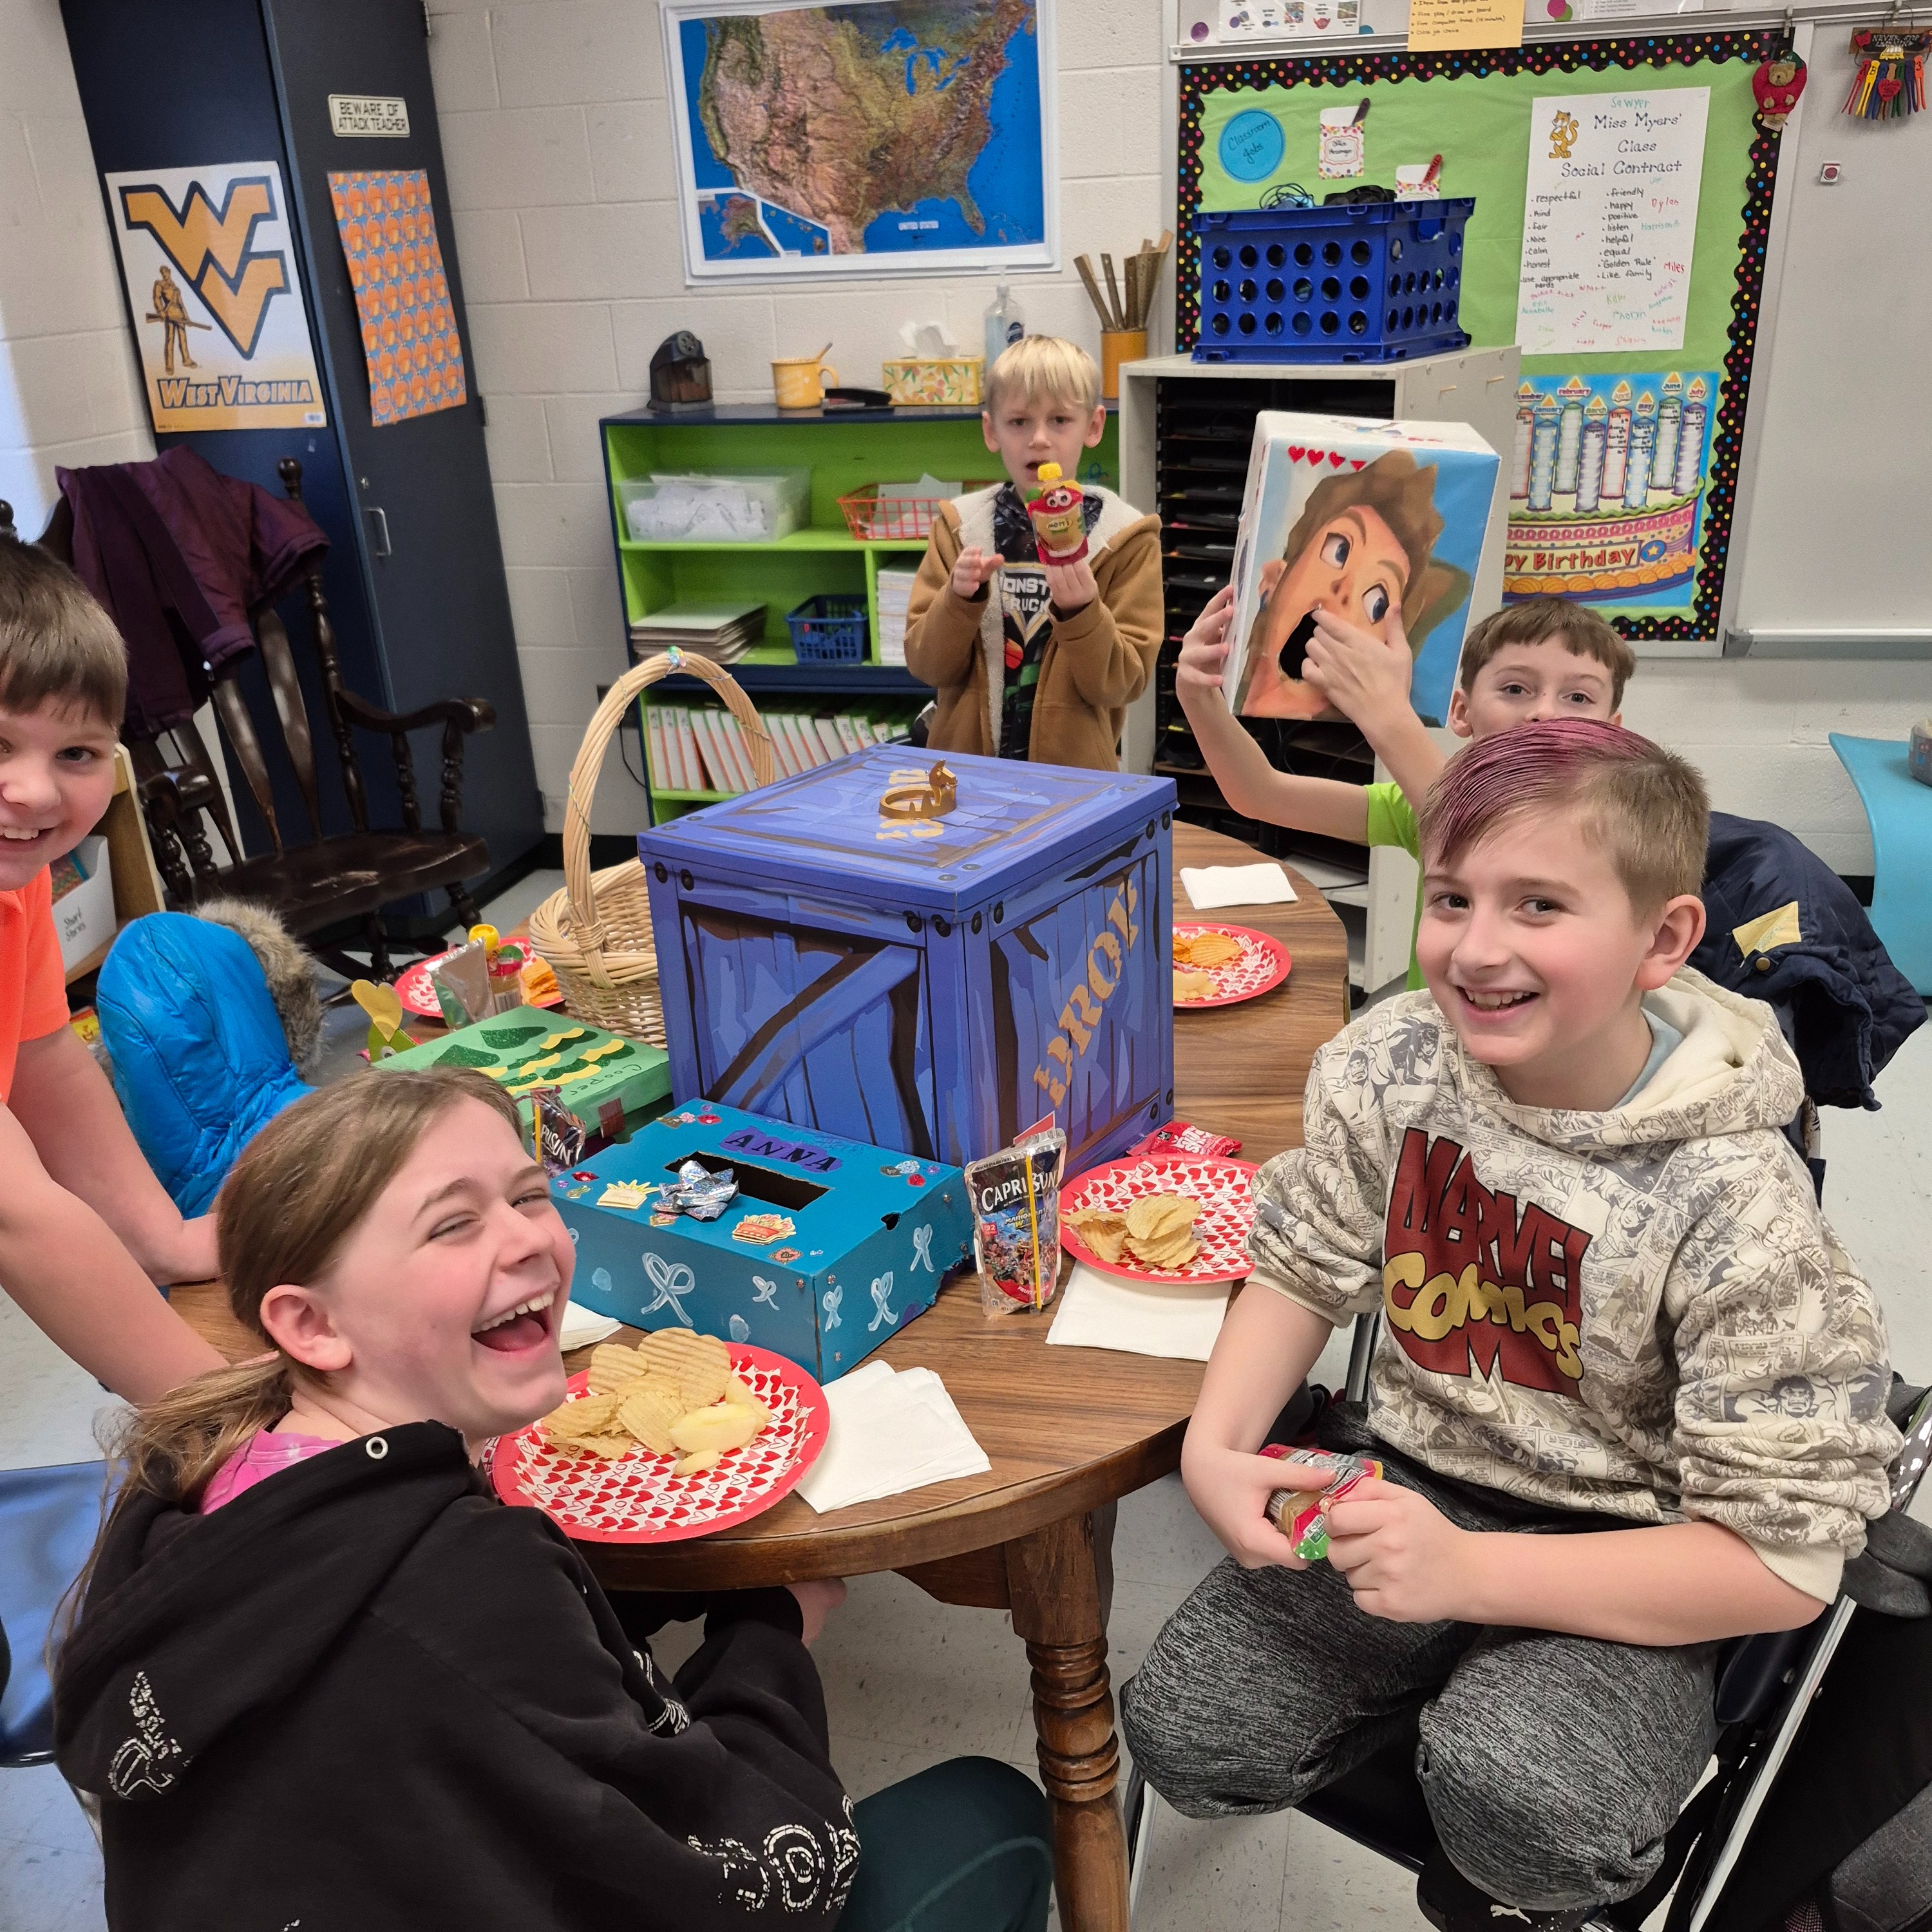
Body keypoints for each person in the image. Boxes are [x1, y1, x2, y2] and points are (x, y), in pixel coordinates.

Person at [1121, 720, 1901, 1932]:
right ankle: (1439, 1722)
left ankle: (1506, 1858)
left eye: (1539, 905)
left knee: (1525, 1802)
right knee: (1188, 1727)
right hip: (1415, 1478)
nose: (1476, 950)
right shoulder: (1395, 1063)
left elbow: (1787, 1565)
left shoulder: (1740, 1205)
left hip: (1638, 1543)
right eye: (1451, 898)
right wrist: (1212, 1447)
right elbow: (1305, 1254)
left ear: (1664, 939)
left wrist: (1472, 1572)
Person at [55, 1068, 1053, 1932]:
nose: (529, 1241)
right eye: (452, 1224)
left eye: (530, 1196)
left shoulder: (190, 1484)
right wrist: (769, 1636)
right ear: (310, 1324)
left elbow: (487, 1709)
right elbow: (731, 1879)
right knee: (991, 1814)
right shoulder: (469, 1589)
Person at [0, 538, 223, 1400]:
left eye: (78, 755)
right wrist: (218, 1416)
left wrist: (162, 1241)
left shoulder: (14, 887)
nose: (36, 793)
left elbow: (45, 1067)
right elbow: (19, 1215)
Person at [1177, 589, 1634, 989]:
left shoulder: (1617, 826)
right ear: (1462, 712)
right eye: (1516, 688)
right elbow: (1261, 795)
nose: (1544, 713)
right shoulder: (1421, 804)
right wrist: (1199, 698)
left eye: (1578, 698)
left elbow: (1495, 842)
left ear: (1613, 733)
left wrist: (1388, 715)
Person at [902, 336, 1161, 772]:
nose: (1039, 440)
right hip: (966, 780)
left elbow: (1123, 683)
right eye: (1019, 422)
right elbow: (927, 665)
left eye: (1060, 420)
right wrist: (957, 601)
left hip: (1074, 785)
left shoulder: (1126, 539)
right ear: (991, 430)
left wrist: (1083, 614)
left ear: (1094, 427)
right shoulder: (959, 529)